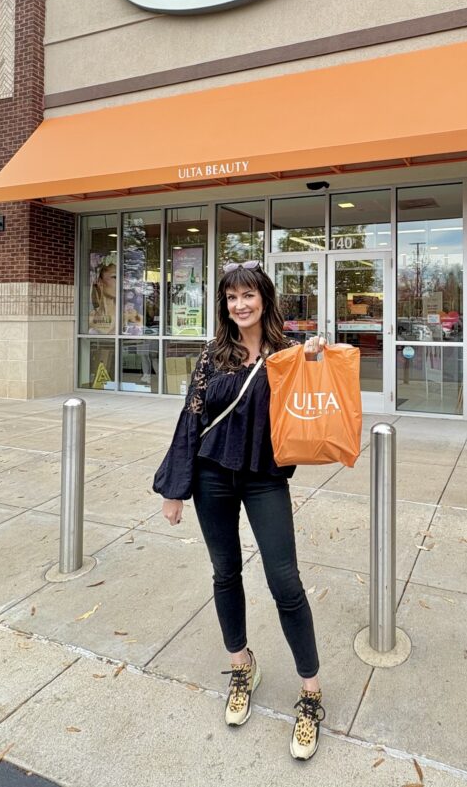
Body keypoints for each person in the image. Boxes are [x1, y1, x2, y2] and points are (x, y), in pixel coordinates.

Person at [153, 260, 327, 760]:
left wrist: (314, 357)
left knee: (285, 582)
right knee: (225, 572)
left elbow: (312, 397)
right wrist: (175, 487)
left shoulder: (289, 354)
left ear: (265, 299)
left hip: (264, 478)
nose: (240, 304)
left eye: (248, 295)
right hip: (212, 477)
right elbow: (191, 420)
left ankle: (311, 694)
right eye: (231, 297)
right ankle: (241, 665)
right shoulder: (214, 356)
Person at [88, 260, 117, 335]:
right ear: (100, 282)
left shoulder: (128, 315)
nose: (120, 282)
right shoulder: (90, 317)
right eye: (115, 277)